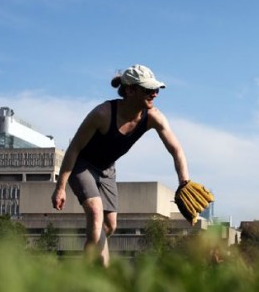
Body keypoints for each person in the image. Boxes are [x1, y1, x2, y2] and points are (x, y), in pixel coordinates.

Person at [51, 64, 190, 266]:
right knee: (96, 212)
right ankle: (86, 278)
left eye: (156, 89)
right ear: (130, 90)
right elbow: (73, 149)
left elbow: (176, 149)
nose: (154, 94)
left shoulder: (153, 117)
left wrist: (184, 182)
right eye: (148, 89)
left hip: (107, 169)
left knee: (109, 226)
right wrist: (60, 187)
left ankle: (99, 268)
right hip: (82, 165)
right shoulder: (103, 114)